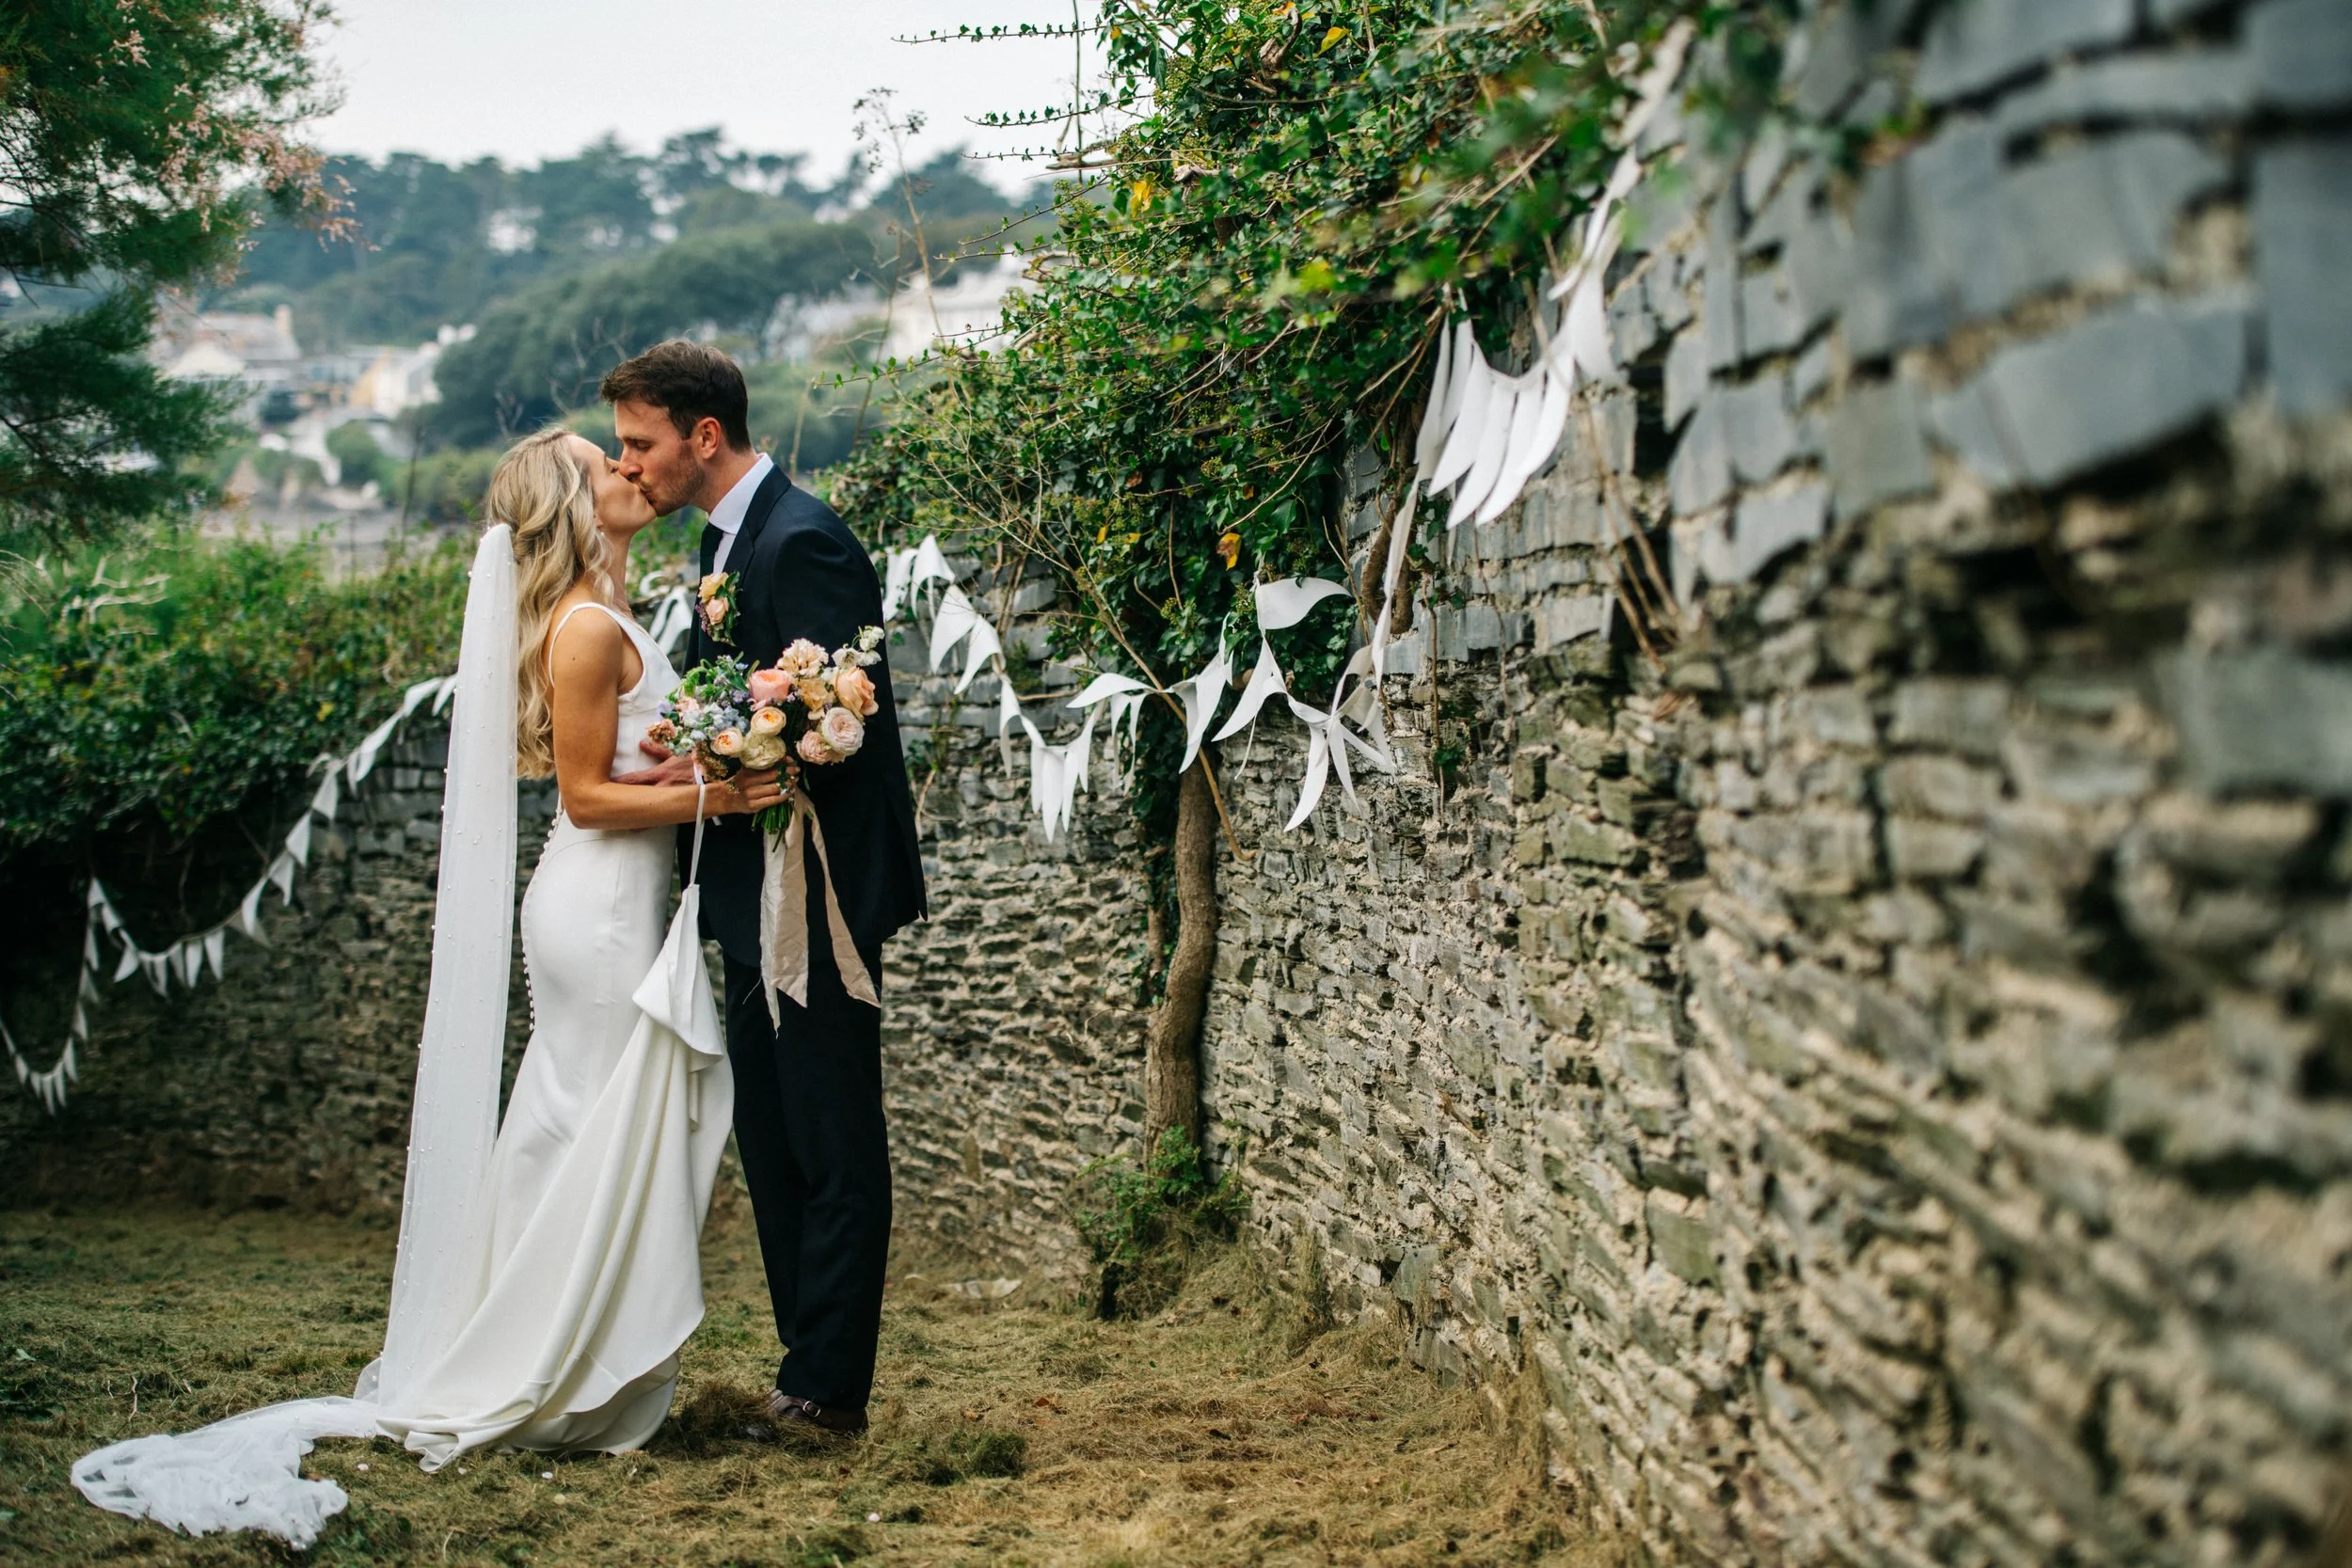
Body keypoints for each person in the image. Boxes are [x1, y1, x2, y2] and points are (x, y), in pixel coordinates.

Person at [72, 427, 782, 1547]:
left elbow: (614, 767)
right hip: (597, 906)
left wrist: (696, 761)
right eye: (606, 463)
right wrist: (726, 799)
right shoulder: (590, 626)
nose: (626, 471)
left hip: (608, 903)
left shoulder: (600, 611)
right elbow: (592, 801)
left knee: (577, 1125)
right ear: (572, 502)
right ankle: (548, 1368)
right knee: (598, 1125)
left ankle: (560, 1353)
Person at [604, 340, 925, 1437]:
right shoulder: (726, 540)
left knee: (832, 1133)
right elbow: (735, 710)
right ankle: (803, 1369)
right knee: (775, 1136)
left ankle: (828, 1390)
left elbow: (839, 716)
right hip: (751, 882)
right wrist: (688, 749)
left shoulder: (806, 538)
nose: (629, 464)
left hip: (817, 892)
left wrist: (729, 748)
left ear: (703, 435)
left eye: (640, 443)